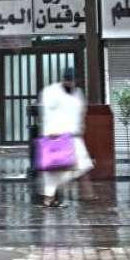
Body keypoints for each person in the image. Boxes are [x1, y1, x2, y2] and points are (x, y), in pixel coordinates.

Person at [38, 67, 93, 208]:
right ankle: (49, 198)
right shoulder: (52, 91)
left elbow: (81, 112)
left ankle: (86, 194)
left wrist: (80, 128)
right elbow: (47, 113)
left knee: (83, 165)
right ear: (64, 79)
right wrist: (51, 131)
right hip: (56, 136)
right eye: (68, 80)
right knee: (54, 169)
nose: (70, 83)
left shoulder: (78, 93)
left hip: (73, 136)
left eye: (72, 81)